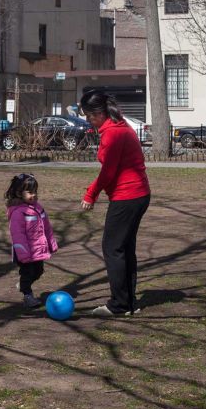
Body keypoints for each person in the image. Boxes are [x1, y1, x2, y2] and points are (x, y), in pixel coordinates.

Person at [79, 90, 150, 317]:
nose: (88, 121)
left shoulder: (113, 134)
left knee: (113, 248)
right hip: (139, 195)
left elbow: (108, 172)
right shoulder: (123, 126)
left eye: (89, 116)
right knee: (125, 248)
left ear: (99, 113)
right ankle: (129, 302)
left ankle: (119, 304)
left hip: (126, 197)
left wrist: (90, 194)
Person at [5, 173, 58, 309]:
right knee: (27, 273)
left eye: (35, 192)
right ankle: (27, 296)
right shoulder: (18, 212)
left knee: (38, 271)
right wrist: (23, 254)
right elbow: (18, 235)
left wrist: (51, 244)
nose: (33, 195)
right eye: (30, 192)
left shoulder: (38, 208)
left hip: (38, 249)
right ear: (19, 193)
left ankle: (23, 285)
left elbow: (47, 228)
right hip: (24, 251)